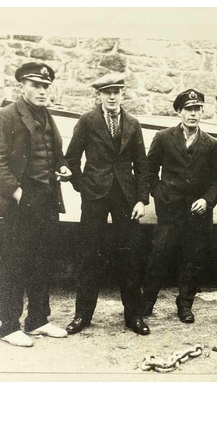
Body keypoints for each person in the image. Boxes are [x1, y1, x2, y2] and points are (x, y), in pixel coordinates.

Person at [65, 73, 150, 336]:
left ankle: (133, 316)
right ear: (99, 95)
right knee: (89, 254)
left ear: (123, 95)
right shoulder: (87, 121)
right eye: (107, 92)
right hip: (95, 197)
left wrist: (141, 199)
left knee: (130, 256)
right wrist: (83, 187)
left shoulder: (133, 123)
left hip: (126, 198)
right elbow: (71, 159)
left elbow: (142, 165)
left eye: (117, 92)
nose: (112, 97)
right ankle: (82, 315)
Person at [0, 62, 71, 347]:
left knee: (43, 260)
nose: (42, 91)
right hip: (20, 200)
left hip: (47, 198)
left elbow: (57, 154)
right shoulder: (7, 116)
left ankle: (38, 320)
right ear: (23, 86)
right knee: (14, 262)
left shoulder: (47, 116)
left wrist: (63, 167)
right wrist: (16, 193)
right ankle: (7, 324)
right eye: (36, 86)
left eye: (45, 86)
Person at [141, 89, 217, 323]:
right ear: (179, 111)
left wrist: (206, 200)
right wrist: (159, 192)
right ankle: (146, 302)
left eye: (197, 110)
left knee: (192, 260)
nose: (193, 115)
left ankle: (185, 305)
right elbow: (149, 170)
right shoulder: (164, 137)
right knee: (159, 256)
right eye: (188, 110)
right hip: (169, 211)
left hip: (196, 215)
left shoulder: (210, 143)